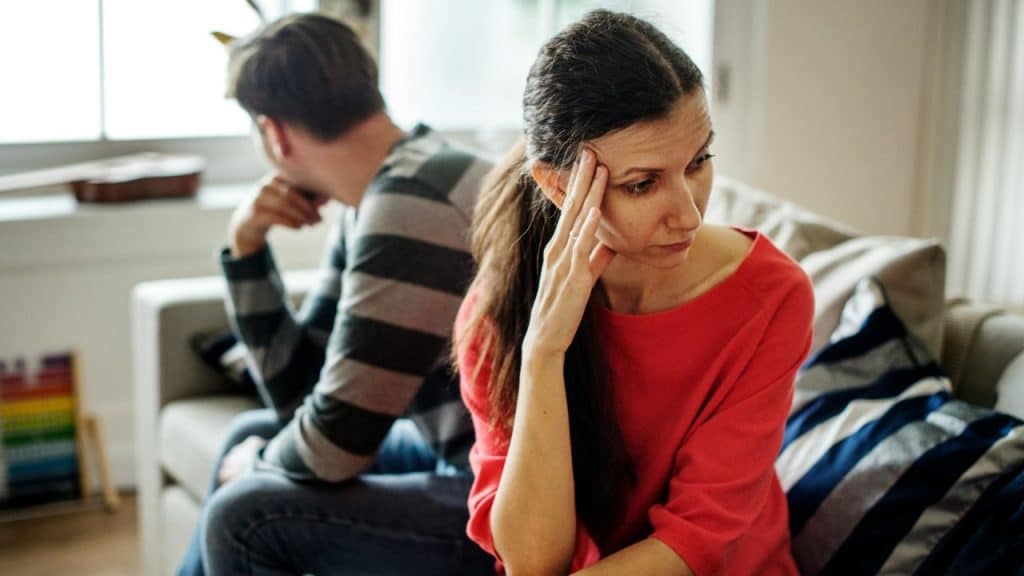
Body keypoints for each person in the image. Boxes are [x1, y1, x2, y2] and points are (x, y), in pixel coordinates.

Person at [454, 9, 813, 575]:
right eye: (643, 184)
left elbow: (698, 541)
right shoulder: (499, 309)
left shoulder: (770, 296)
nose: (690, 213)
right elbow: (530, 560)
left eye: (698, 162)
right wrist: (543, 354)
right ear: (557, 184)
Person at [176, 13, 495, 576]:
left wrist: (259, 467)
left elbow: (337, 446)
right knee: (249, 433)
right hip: (473, 459)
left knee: (243, 515)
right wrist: (245, 248)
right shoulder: (401, 178)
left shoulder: (409, 205)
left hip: (513, 501)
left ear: (274, 133)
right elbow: (303, 396)